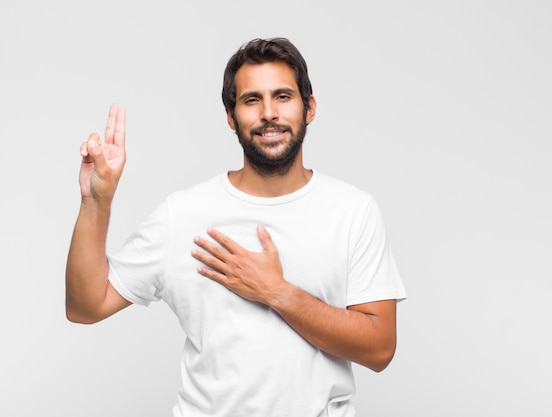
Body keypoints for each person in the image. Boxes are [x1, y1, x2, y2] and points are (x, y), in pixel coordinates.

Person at [66, 37, 406, 417]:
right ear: (231, 117)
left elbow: (379, 349)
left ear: (308, 108)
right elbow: (85, 305)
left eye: (282, 97)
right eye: (251, 100)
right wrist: (97, 199)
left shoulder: (353, 211)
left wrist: (276, 292)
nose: (268, 114)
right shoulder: (183, 214)